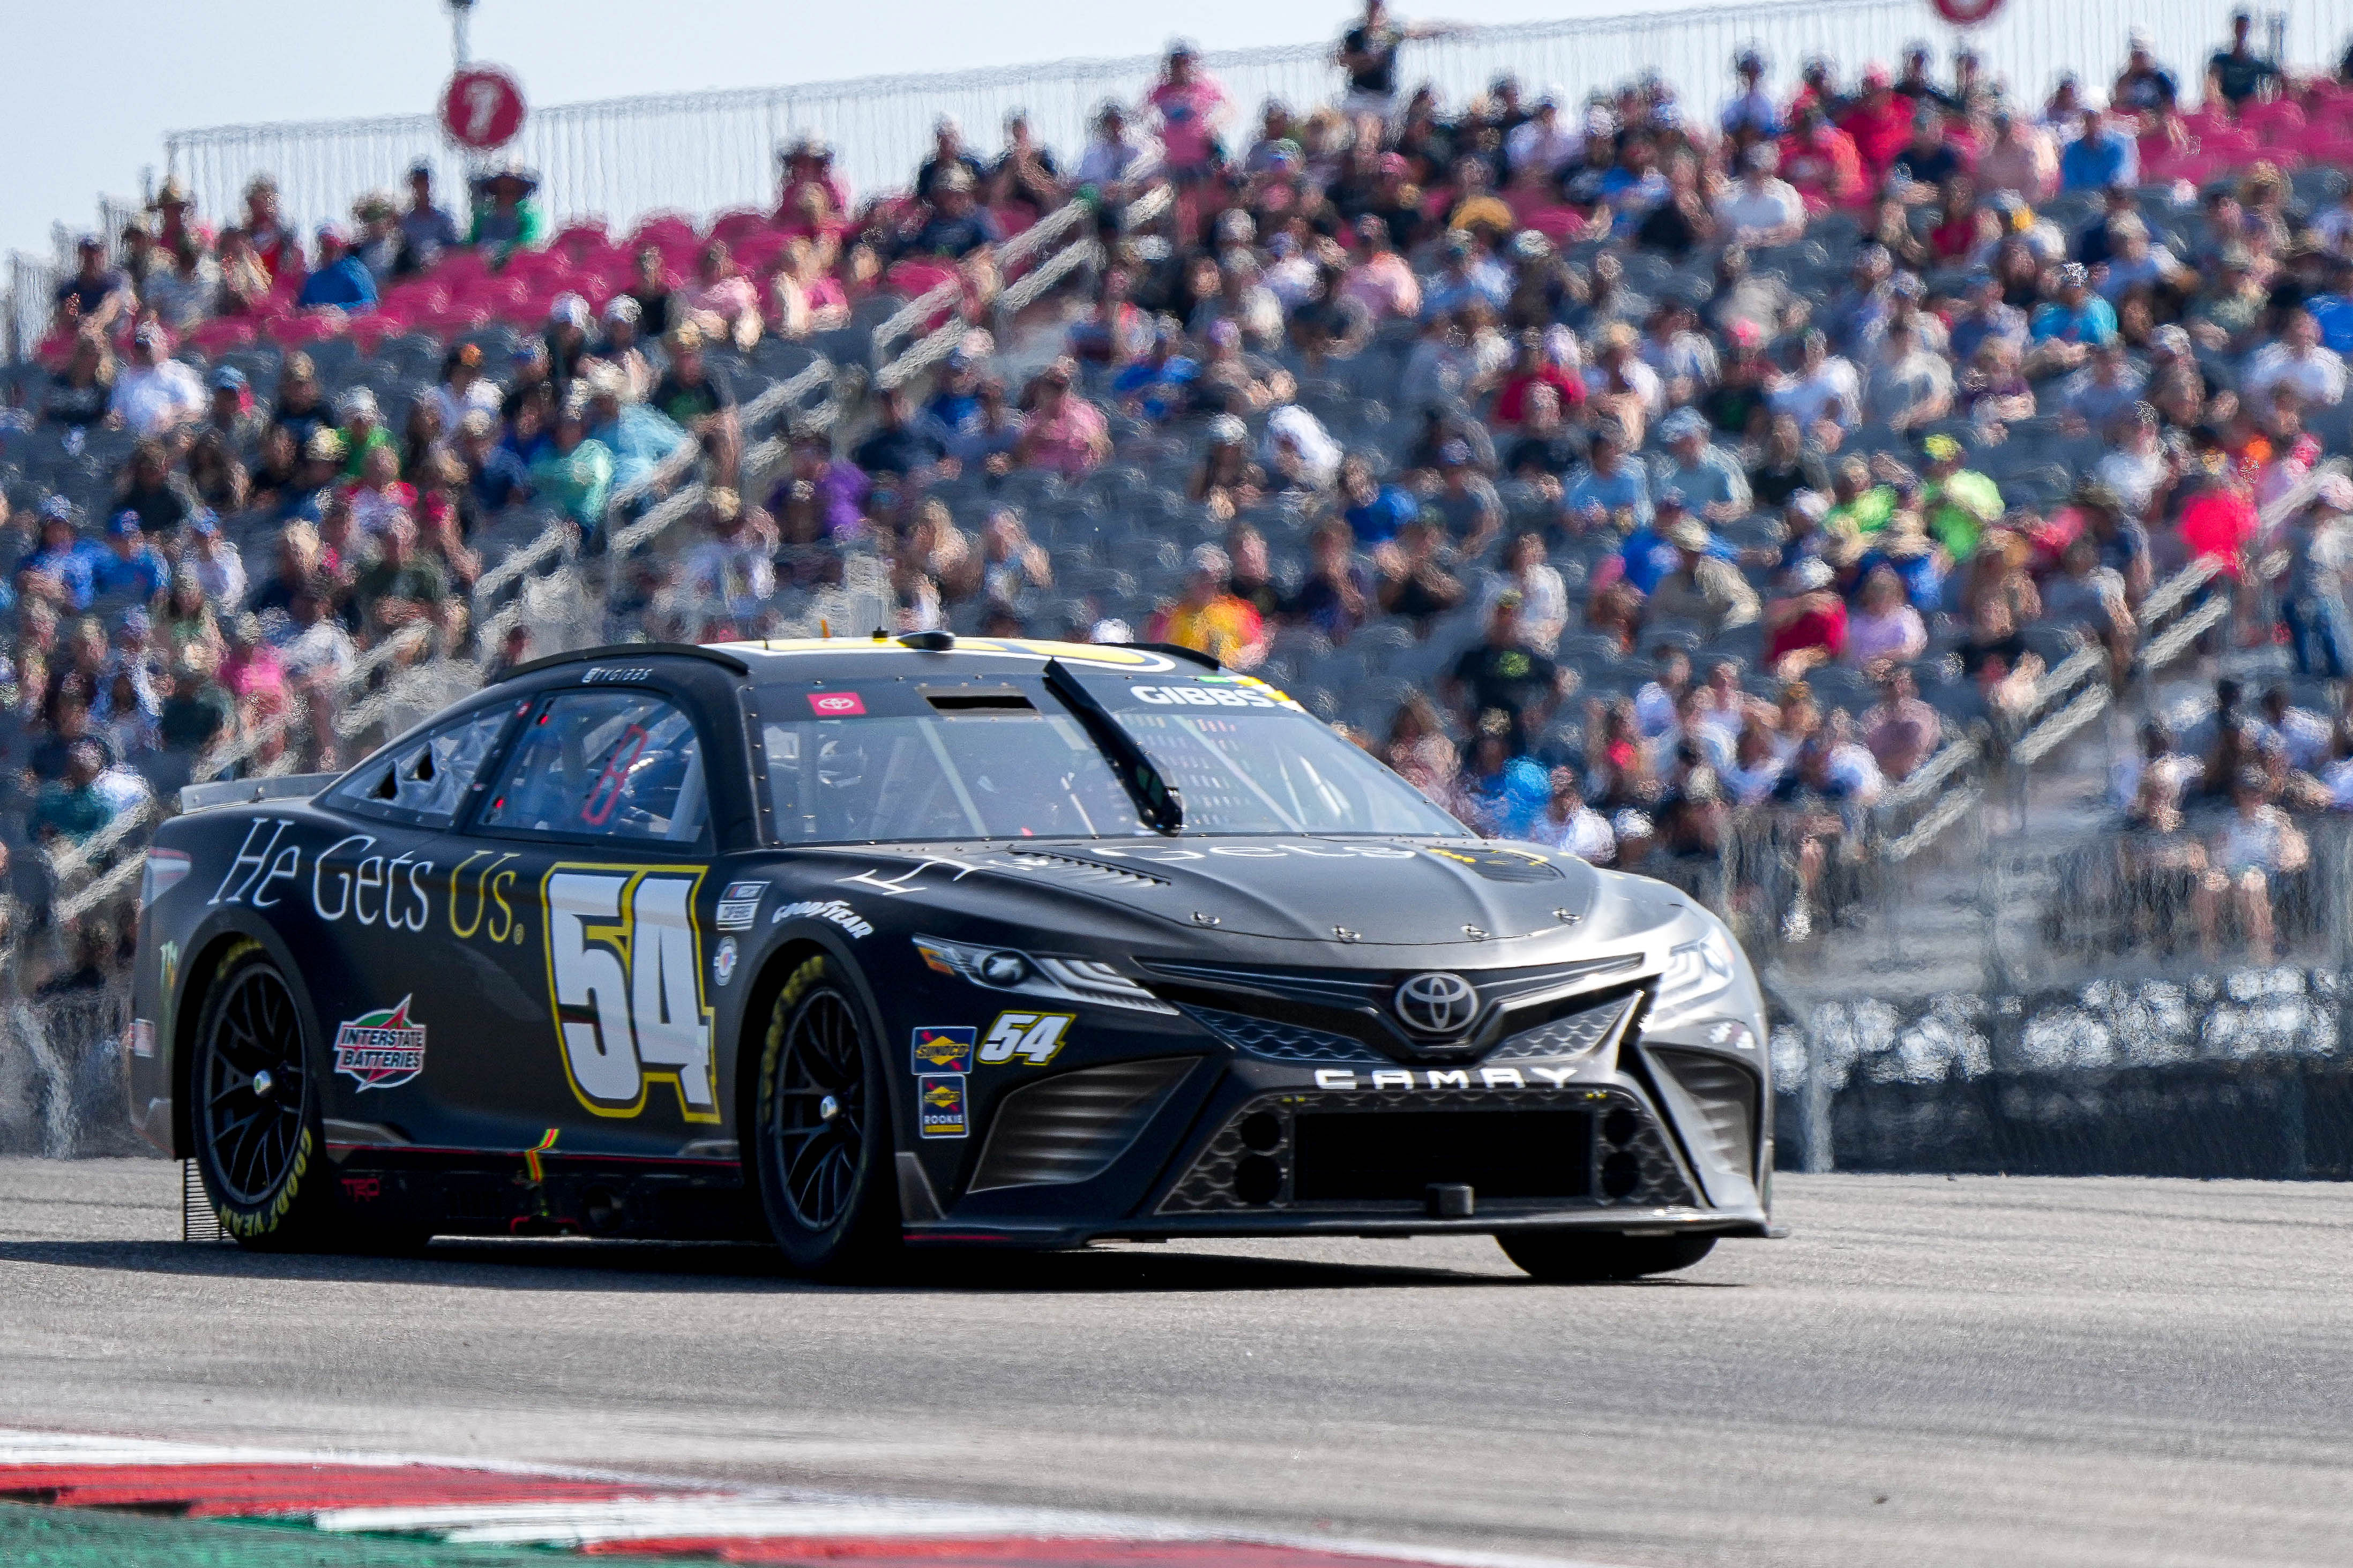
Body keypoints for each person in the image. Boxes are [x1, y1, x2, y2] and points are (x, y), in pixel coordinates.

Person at [1147, 544, 1266, 666]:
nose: (1208, 584)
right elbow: (1155, 655)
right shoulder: (1168, 616)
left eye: (1213, 579)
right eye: (1202, 578)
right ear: (1189, 579)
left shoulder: (1240, 614)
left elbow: (1257, 648)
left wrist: (1236, 659)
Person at [109, 326, 204, 437]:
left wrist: (172, 415)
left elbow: (196, 408)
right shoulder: (126, 378)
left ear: (161, 345)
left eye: (148, 347)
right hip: (133, 438)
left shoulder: (178, 372)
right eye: (140, 347)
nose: (145, 352)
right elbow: (117, 410)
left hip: (174, 434)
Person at [2207, 9, 2281, 110]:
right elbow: (2212, 83)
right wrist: (2220, 102)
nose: (2242, 32)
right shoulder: (2221, 60)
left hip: (2250, 112)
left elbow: (2279, 76)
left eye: (2245, 28)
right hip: (2225, 110)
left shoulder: (2257, 65)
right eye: (2239, 28)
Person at [295, 226, 377, 311]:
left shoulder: (354, 272)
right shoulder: (314, 280)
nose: (326, 252)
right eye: (323, 247)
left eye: (331, 248)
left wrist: (337, 310)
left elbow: (370, 305)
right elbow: (301, 308)